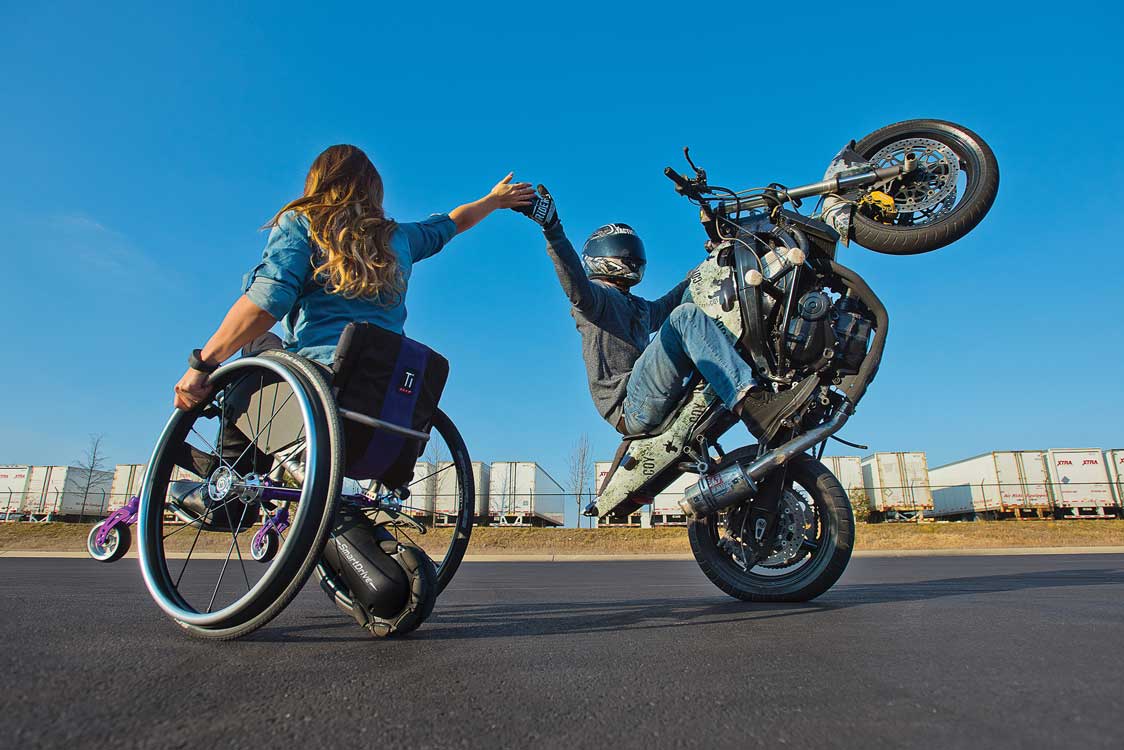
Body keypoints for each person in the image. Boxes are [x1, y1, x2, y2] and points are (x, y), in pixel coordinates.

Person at [173, 144, 534, 411]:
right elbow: (454, 223)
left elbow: (266, 303)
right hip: (382, 386)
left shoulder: (302, 223)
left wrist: (202, 364)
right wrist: (495, 200)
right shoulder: (399, 238)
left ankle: (226, 490)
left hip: (315, 385)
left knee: (255, 343)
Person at [516, 186, 762, 436]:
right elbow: (575, 282)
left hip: (647, 393)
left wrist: (713, 260)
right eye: (623, 249)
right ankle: (749, 404)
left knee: (690, 310)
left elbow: (674, 299)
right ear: (600, 255)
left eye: (633, 250)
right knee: (684, 316)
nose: (631, 256)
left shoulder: (637, 305)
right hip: (630, 405)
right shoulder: (596, 299)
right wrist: (552, 227)